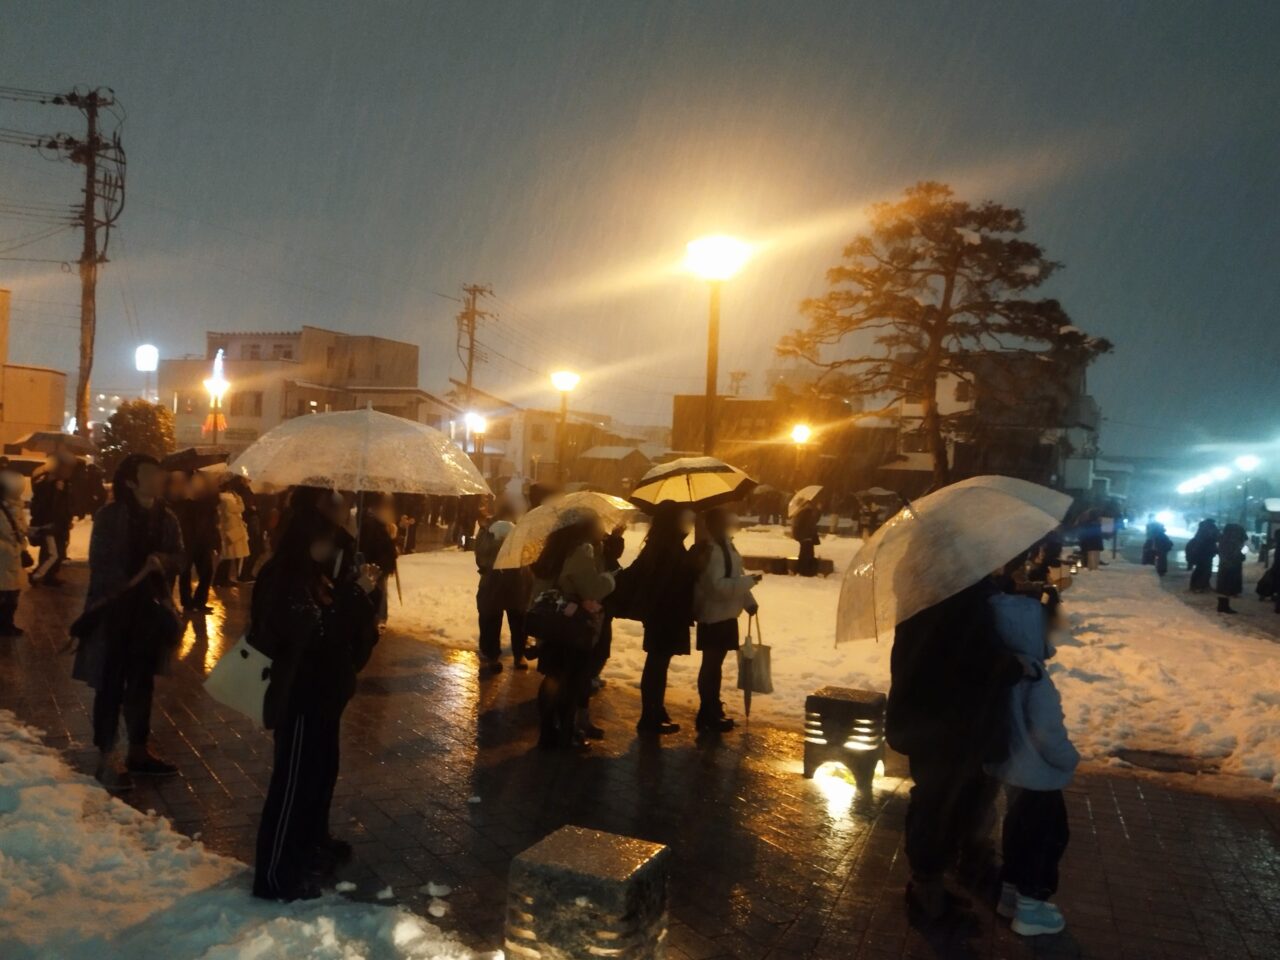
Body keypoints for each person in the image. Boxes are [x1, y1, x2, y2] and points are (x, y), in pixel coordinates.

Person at [251, 509, 381, 901]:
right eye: (326, 539)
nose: (330, 547)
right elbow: (316, 633)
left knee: (320, 774)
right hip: (301, 697)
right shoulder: (283, 578)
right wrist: (355, 593)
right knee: (293, 784)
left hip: (326, 697)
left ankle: (310, 847)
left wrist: (356, 591)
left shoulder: (317, 573)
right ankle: (274, 875)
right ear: (306, 539)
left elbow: (340, 627)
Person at [887, 577, 1023, 921]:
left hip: (934, 722)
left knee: (944, 799)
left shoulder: (926, 591)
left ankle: (933, 881)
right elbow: (971, 662)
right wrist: (1013, 666)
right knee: (937, 803)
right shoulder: (954, 600)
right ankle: (926, 891)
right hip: (946, 724)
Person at [72, 454, 185, 791]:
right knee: (110, 682)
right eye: (151, 473)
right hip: (115, 613)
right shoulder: (110, 516)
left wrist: (162, 561)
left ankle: (138, 750)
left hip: (150, 613)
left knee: (142, 682)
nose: (160, 477)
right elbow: (101, 563)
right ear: (131, 481)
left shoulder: (167, 517)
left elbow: (180, 556)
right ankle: (108, 755)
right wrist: (132, 574)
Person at [986, 585, 1078, 937]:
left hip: (1014, 772)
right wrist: (1069, 759)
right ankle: (1031, 908)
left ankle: (1011, 894)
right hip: (1039, 776)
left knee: (1018, 833)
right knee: (1048, 838)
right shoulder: (1034, 679)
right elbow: (1048, 733)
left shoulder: (1007, 671)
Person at [528, 516, 615, 749]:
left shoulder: (553, 550)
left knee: (553, 679)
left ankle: (549, 733)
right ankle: (566, 736)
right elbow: (591, 588)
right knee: (571, 681)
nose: (602, 529)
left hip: (550, 625)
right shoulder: (579, 552)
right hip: (570, 628)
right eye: (598, 524)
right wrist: (609, 578)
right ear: (585, 527)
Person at [628, 503, 697, 735]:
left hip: (662, 613)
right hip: (666, 613)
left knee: (657, 663)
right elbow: (672, 580)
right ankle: (650, 715)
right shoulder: (668, 547)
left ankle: (655, 711)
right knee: (657, 664)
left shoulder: (661, 544)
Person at [692, 508, 761, 733]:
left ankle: (712, 708)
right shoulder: (714, 551)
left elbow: (735, 576)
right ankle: (707, 711)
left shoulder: (726, 546)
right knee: (711, 665)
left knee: (715, 666)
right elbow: (718, 588)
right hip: (714, 616)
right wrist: (749, 583)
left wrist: (748, 600)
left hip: (725, 616)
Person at [474, 504, 529, 672]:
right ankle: (513, 656)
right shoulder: (517, 532)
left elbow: (481, 559)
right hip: (507, 583)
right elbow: (482, 558)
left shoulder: (517, 531)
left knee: (504, 621)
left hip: (506, 583)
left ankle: (498, 656)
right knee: (510, 621)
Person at [174, 472, 220, 615]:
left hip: (203, 542)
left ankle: (199, 601)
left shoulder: (208, 503)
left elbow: (213, 523)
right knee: (185, 573)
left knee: (206, 572)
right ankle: (187, 602)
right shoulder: (181, 501)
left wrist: (215, 541)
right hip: (188, 541)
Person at [29, 453, 74, 586]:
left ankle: (50, 576)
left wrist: (68, 518)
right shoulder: (46, 483)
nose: (69, 471)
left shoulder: (64, 483)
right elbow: (42, 505)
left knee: (56, 552)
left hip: (60, 524)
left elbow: (66, 504)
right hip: (50, 524)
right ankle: (37, 575)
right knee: (52, 553)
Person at [0, 466, 30, 637]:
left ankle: (7, 623)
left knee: (13, 593)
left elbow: (21, 529)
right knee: (4, 593)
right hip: (3, 557)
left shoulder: (16, 506)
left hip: (13, 556)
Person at [215, 475, 251, 585]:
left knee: (228, 556)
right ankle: (221, 579)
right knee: (227, 556)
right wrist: (239, 499)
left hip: (231, 529)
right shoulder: (226, 501)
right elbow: (240, 508)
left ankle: (222, 579)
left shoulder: (224, 499)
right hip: (231, 531)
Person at [1215, 523, 1247, 614]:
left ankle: (1222, 606)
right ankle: (1223, 607)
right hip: (1232, 566)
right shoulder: (1233, 542)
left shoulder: (1223, 539)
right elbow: (1237, 555)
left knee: (1224, 586)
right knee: (1227, 586)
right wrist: (1243, 553)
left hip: (1224, 566)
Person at [1185, 519, 1219, 593]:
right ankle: (1200, 586)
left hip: (1201, 552)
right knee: (1205, 570)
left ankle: (1196, 586)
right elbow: (1214, 537)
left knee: (1200, 569)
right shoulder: (1210, 528)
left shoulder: (1202, 527)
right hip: (1206, 552)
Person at [791, 499, 821, 577]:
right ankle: (804, 571)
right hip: (806, 536)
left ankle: (801, 570)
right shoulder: (806, 512)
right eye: (808, 503)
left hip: (804, 537)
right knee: (807, 554)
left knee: (805, 553)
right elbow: (812, 522)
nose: (810, 505)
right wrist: (818, 510)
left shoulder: (800, 512)